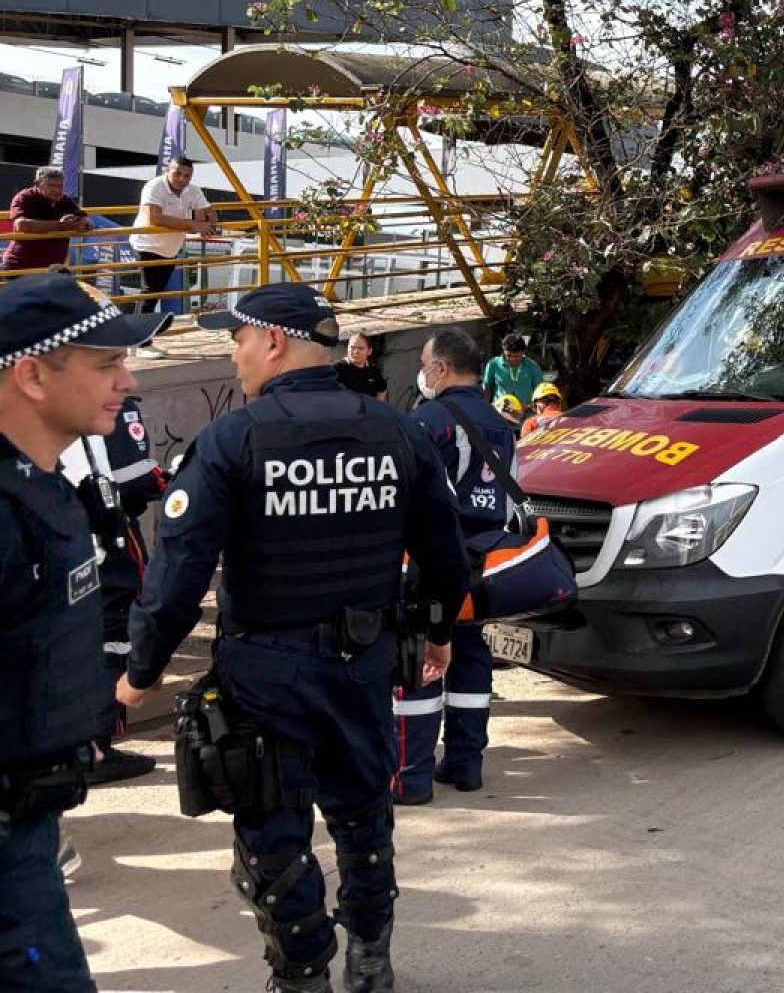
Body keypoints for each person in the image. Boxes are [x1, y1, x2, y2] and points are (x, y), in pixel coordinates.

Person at [117, 282, 469, 993]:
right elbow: (446, 554)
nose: (235, 354)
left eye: (238, 339)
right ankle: (371, 963)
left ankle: (302, 974)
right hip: (364, 664)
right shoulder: (396, 430)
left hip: (264, 676)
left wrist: (141, 672)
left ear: (272, 341)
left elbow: (178, 574)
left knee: (273, 838)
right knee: (364, 816)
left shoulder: (233, 438)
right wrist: (437, 633)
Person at [0, 272, 169, 992]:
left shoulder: (40, 486)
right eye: (106, 364)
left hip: (31, 828)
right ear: (33, 374)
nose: (127, 382)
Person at [394, 329, 516, 804]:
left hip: (432, 558)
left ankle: (411, 777)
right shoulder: (501, 423)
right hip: (483, 558)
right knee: (468, 655)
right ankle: (466, 765)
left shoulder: (427, 420)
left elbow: (409, 497)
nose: (423, 375)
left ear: (441, 368)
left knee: (420, 658)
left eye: (425, 366)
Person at [57, 396, 168, 785]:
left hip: (73, 533)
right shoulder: (113, 402)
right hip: (106, 537)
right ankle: (98, 746)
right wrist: (177, 479)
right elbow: (135, 477)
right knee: (114, 632)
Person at [128, 156, 217, 314]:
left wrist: (203, 222)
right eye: (177, 173)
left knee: (155, 292)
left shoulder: (194, 190)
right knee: (150, 291)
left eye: (187, 176)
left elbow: (210, 214)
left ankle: (142, 328)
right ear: (167, 171)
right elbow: (155, 219)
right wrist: (193, 220)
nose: (181, 179)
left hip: (170, 249)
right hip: (147, 245)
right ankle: (139, 330)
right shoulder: (154, 186)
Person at [4, 167, 88, 272]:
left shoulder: (64, 199)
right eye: (51, 185)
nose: (57, 190)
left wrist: (81, 223)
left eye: (60, 186)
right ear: (38, 184)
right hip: (22, 267)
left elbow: (87, 220)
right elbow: (22, 225)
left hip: (53, 269)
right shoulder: (24, 197)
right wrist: (63, 225)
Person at [481, 334, 540, 408]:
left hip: (526, 412)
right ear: (503, 351)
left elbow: (540, 393)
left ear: (523, 352)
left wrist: (530, 408)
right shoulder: (493, 364)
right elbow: (486, 388)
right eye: (508, 355)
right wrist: (484, 408)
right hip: (499, 411)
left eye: (516, 356)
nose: (512, 359)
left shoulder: (533, 367)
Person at [333, 332, 389, 402]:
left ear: (369, 351)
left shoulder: (372, 369)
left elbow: (382, 389)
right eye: (352, 347)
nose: (356, 351)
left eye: (360, 348)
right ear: (347, 348)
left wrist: (378, 407)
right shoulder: (336, 369)